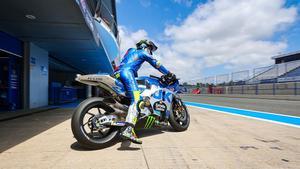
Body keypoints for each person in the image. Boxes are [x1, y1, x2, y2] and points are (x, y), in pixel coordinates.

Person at [114, 39, 175, 144]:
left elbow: (128, 63)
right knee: (137, 100)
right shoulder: (143, 52)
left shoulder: (130, 51)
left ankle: (124, 117)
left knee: (128, 98)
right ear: (146, 46)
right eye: (150, 49)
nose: (150, 52)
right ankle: (128, 130)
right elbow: (157, 64)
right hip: (127, 74)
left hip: (117, 74)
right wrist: (169, 73)